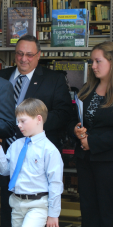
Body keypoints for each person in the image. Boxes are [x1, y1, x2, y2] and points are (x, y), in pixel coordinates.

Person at [0, 35, 72, 226]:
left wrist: (31, 127)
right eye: (20, 54)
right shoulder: (0, 77)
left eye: (29, 55)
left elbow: (63, 114)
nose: (23, 59)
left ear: (39, 55)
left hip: (37, 156)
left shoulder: (54, 79)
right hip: (3, 150)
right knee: (7, 208)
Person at [0, 98, 63, 227]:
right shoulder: (16, 145)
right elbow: (5, 170)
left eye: (23, 121)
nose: (19, 125)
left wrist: (53, 213)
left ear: (39, 119)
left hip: (38, 205)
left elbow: (55, 183)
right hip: (17, 203)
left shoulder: (49, 150)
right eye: (18, 121)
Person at [67, 41, 113, 227]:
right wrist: (76, 131)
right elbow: (71, 119)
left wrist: (92, 142)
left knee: (108, 211)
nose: (93, 66)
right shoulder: (87, 89)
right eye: (91, 61)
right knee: (88, 209)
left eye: (98, 61)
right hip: (85, 161)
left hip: (108, 162)